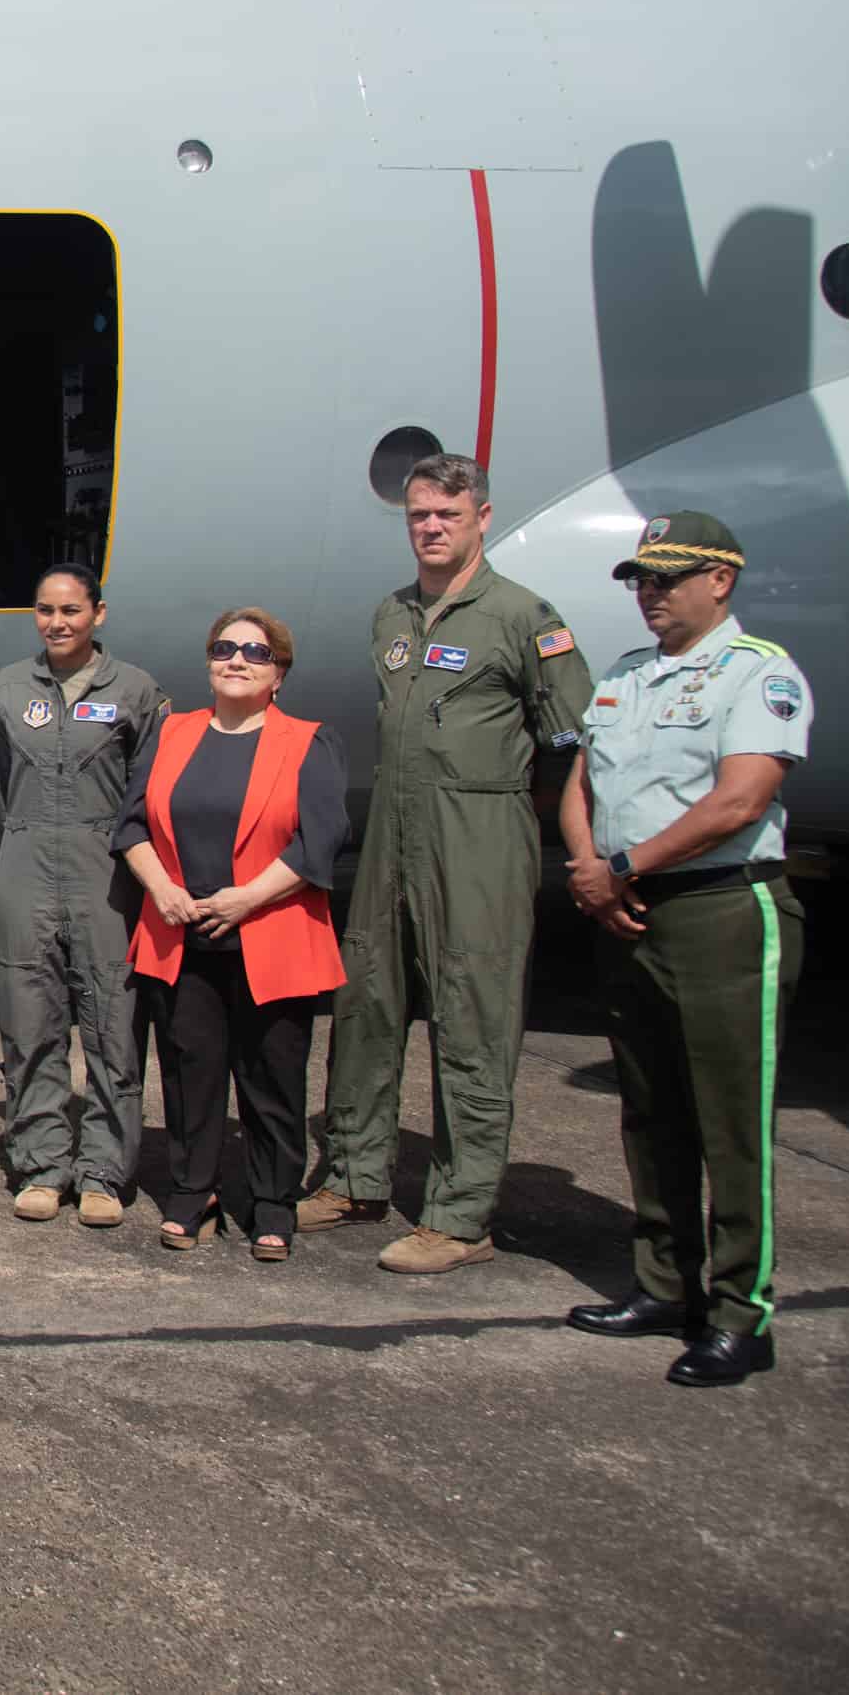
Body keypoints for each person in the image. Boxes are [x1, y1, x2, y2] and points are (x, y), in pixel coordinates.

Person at [306, 453, 595, 1273]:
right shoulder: (392, 616)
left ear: (481, 518)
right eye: (419, 515)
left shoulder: (521, 617)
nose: (431, 528)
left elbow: (571, 743)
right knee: (365, 1005)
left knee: (472, 1021)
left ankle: (461, 1215)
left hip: (477, 842)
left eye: (447, 515)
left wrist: (513, 823)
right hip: (392, 841)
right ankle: (357, 1174)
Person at [558, 512, 810, 1388]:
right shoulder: (627, 676)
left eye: (669, 576)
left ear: (721, 581)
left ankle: (745, 1313)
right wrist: (592, 867)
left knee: (731, 1121)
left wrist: (619, 867)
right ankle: (666, 1283)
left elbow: (740, 801)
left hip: (721, 912)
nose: (651, 592)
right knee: (650, 1108)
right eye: (641, 578)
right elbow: (581, 783)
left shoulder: (760, 674)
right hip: (629, 913)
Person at [114, 610, 349, 1260]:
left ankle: (272, 1202)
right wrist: (161, 889)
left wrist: (245, 899)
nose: (238, 659)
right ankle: (194, 1194)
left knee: (271, 1078)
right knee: (191, 1075)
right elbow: (130, 826)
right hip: (181, 935)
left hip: (270, 933)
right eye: (225, 647)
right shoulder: (174, 731)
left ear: (279, 671)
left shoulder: (309, 740)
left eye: (256, 651)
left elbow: (321, 838)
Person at [0, 562, 167, 1227]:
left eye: (71, 610)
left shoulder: (137, 691)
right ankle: (41, 1163)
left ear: (99, 613)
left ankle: (103, 1171)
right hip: (25, 859)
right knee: (29, 1025)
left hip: (105, 870)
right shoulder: (6, 689)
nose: (57, 622)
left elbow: (150, 792)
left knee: (112, 1028)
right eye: (45, 610)